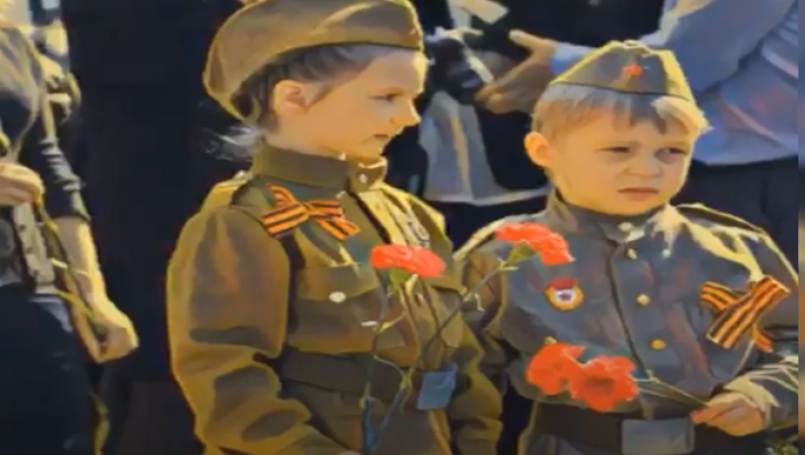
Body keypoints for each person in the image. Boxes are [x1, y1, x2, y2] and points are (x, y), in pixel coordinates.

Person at [166, 1, 502, 454]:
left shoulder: (411, 215)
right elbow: (226, 376)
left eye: (413, 98)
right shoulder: (245, 221)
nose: (409, 117)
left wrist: (477, 441)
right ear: (293, 98)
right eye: (387, 97)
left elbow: (460, 357)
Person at [458, 41, 799, 455]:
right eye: (619, 149)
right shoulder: (503, 258)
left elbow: (793, 341)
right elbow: (460, 380)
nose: (647, 168)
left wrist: (766, 395)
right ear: (542, 150)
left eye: (672, 151)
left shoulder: (736, 248)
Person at [473, 0, 799, 266]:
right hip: (748, 175)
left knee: (708, 313)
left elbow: (687, 63)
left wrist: (562, 64)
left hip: (734, 185)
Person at [0, 21, 136, 455]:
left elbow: (51, 169)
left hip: (22, 287)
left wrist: (91, 295)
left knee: (65, 431)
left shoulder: (10, 42)